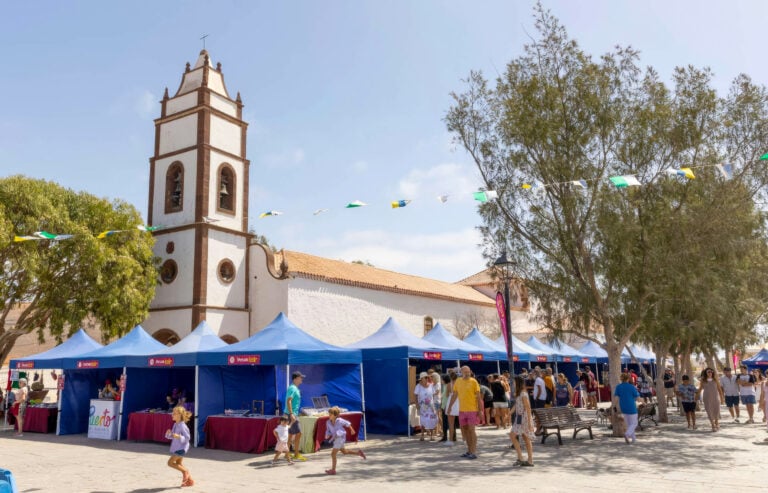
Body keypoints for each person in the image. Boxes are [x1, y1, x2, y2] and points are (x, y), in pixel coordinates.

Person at [447, 365, 482, 460]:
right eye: (465, 372)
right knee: (465, 431)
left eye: (468, 372)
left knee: (471, 430)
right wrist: (450, 406)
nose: (467, 373)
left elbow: (479, 397)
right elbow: (454, 395)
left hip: (472, 410)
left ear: (470, 372)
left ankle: (473, 451)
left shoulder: (474, 382)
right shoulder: (458, 381)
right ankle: (469, 450)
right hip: (462, 410)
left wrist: (480, 410)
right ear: (461, 372)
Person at [323, 406, 366, 475]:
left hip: (340, 437)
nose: (329, 416)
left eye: (331, 414)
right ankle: (358, 453)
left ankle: (333, 470)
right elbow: (328, 430)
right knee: (344, 452)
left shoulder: (340, 420)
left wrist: (352, 430)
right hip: (336, 438)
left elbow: (347, 424)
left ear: (335, 415)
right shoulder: (328, 422)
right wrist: (327, 435)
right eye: (329, 414)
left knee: (333, 454)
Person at [508, 375, 534, 467]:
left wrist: (530, 423)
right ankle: (523, 458)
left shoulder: (523, 394)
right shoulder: (520, 393)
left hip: (524, 418)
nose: (513, 384)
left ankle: (524, 458)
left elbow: (528, 408)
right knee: (523, 437)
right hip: (519, 417)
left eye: (514, 382)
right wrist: (509, 413)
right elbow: (516, 405)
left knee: (518, 436)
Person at [166, 405, 193, 487]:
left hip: (181, 448)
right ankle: (190, 481)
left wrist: (179, 437)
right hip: (177, 447)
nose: (172, 414)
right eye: (172, 413)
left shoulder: (183, 426)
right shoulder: (175, 424)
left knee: (170, 463)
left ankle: (185, 472)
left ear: (179, 415)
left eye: (174, 413)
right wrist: (169, 434)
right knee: (179, 464)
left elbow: (188, 438)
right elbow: (173, 436)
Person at [284, 371, 307, 461]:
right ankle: (296, 454)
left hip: (291, 414)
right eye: (301, 378)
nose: (302, 379)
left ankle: (288, 454)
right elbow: (289, 401)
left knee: (290, 435)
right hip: (291, 414)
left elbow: (293, 402)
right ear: (295, 378)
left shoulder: (294, 388)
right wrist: (292, 413)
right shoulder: (293, 388)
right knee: (298, 433)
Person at [613, 372, 640, 444]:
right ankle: (627, 434)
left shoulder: (618, 387)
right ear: (628, 379)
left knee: (629, 424)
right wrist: (643, 402)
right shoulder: (632, 387)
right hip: (631, 406)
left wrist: (614, 405)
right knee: (634, 424)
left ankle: (633, 439)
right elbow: (637, 397)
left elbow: (616, 397)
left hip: (623, 407)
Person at [698, 367, 724, 432]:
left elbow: (719, 389)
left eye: (711, 371)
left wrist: (722, 398)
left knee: (716, 410)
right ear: (706, 373)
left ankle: (716, 422)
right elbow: (700, 388)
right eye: (708, 372)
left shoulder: (715, 380)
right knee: (709, 411)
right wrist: (696, 396)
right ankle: (713, 425)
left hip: (715, 397)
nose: (710, 373)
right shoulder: (703, 380)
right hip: (707, 398)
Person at [414, 372, 438, 441]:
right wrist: (417, 405)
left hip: (430, 406)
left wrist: (435, 405)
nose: (427, 379)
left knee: (432, 419)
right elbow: (415, 396)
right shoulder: (418, 386)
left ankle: (432, 435)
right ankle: (422, 435)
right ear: (421, 379)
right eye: (425, 377)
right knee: (423, 420)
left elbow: (433, 396)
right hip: (422, 406)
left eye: (427, 377)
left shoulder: (431, 386)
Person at [443, 371, 459, 446]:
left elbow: (446, 394)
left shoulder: (449, 385)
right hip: (459, 402)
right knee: (463, 423)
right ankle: (465, 439)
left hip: (451, 402)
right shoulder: (460, 384)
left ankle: (451, 440)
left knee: (451, 423)